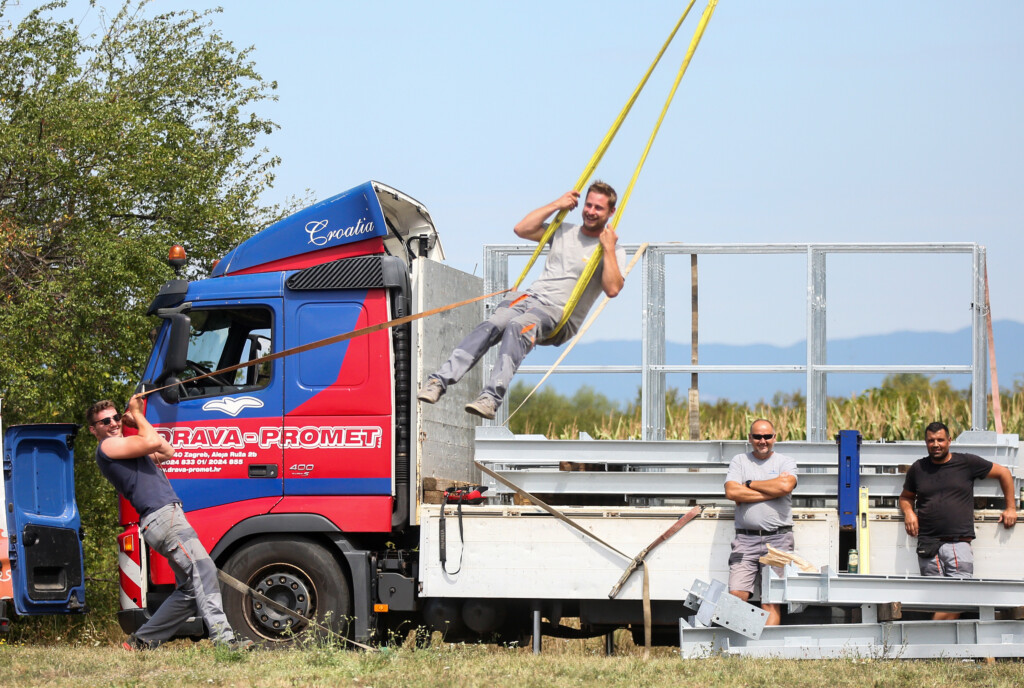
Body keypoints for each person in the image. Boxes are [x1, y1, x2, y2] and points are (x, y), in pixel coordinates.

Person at [417, 181, 626, 419]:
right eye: (588, 205)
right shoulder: (563, 231)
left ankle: (490, 398)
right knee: (492, 325)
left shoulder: (612, 250)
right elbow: (522, 229)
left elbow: (612, 288)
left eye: (598, 208)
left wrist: (608, 247)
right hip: (530, 297)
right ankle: (438, 381)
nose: (590, 211)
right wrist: (558, 204)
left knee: (517, 328)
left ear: (611, 212)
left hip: (556, 314)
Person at [87, 395, 253, 651]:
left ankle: (142, 642)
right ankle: (225, 641)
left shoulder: (129, 448)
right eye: (105, 421)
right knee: (203, 570)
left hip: (164, 518)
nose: (112, 423)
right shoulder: (108, 448)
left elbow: (166, 450)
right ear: (94, 429)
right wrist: (138, 415)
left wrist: (136, 418)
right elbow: (152, 441)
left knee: (189, 591)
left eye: (116, 417)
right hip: (162, 517)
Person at [899, 421, 1017, 620]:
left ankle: (932, 642)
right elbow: (905, 497)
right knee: (935, 599)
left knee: (959, 596)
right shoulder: (918, 468)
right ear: (926, 442)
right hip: (928, 545)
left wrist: (1011, 508)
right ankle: (941, 647)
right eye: (931, 441)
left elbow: (1004, 473)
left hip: (958, 543)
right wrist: (909, 513)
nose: (936, 444)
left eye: (940, 440)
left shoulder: (966, 463)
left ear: (949, 441)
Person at [724, 419, 798, 626]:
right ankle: (741, 648)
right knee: (736, 596)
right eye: (757, 436)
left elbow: (785, 486)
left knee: (771, 600)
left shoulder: (785, 462)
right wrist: (770, 492)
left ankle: (766, 651)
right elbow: (731, 491)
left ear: (775, 437)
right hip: (745, 540)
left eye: (767, 436)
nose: (762, 441)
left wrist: (749, 485)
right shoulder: (740, 460)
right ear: (750, 438)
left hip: (778, 539)